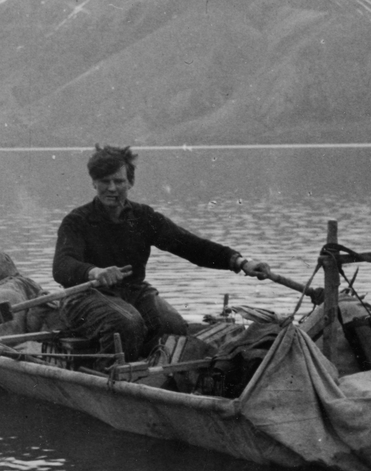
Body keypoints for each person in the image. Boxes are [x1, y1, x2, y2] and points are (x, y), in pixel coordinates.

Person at [52, 144, 270, 364]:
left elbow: (189, 245)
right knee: (127, 323)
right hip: (85, 296)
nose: (111, 188)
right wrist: (94, 272)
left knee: (174, 326)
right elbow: (62, 266)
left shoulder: (143, 217)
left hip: (133, 292)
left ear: (130, 182)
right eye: (104, 181)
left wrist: (240, 262)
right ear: (94, 182)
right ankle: (110, 376)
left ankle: (156, 372)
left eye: (118, 181)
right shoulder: (77, 221)